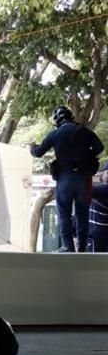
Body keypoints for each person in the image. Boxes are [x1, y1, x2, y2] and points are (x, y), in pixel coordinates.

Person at [30, 106, 104, 252]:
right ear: (71, 117)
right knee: (82, 215)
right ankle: (82, 248)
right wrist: (86, 156)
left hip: (65, 179)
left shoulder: (55, 134)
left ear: (57, 121)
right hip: (83, 179)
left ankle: (68, 247)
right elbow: (99, 148)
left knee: (64, 214)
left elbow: (38, 152)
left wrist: (32, 147)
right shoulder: (84, 131)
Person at [89, 162, 108, 252]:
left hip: (99, 235)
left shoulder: (105, 189)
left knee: (95, 259)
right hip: (97, 233)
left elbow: (86, 189)